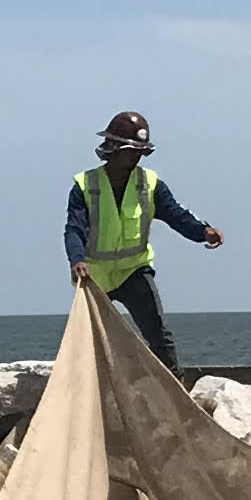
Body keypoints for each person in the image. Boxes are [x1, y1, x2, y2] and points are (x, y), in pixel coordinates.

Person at [66, 109, 224, 368]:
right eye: (130, 151)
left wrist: (202, 231)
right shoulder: (85, 185)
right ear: (113, 148)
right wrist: (76, 260)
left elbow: (175, 214)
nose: (136, 157)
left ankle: (175, 389)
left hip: (134, 272)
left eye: (140, 152)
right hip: (94, 277)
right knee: (88, 341)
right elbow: (74, 228)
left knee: (157, 333)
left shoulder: (149, 184)